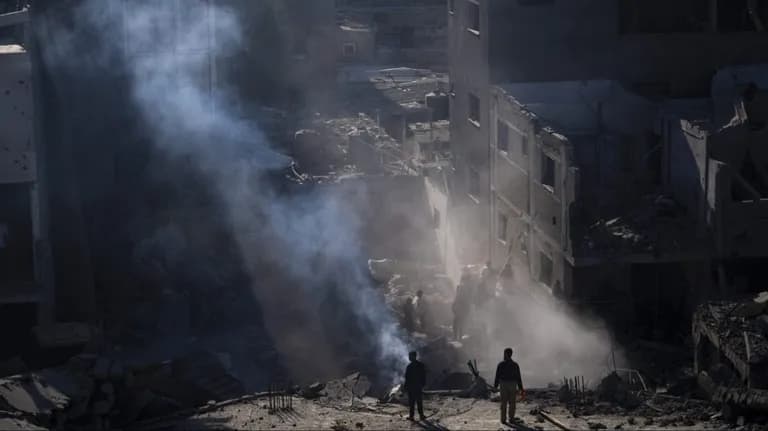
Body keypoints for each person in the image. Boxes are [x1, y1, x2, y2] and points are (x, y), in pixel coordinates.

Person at [494, 347, 525, 424]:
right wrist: (521, 388)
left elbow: (497, 376)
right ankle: (511, 418)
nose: (503, 355)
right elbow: (518, 377)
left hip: (503, 384)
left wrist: (495, 386)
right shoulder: (515, 365)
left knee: (504, 402)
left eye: (504, 353)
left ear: (506, 354)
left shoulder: (501, 364)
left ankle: (503, 419)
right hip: (512, 384)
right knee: (512, 403)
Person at [404, 351, 427, 421]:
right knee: (416, 402)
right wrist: (423, 384)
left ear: (414, 356)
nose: (409, 358)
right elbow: (407, 377)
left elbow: (407, 378)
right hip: (416, 386)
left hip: (413, 387)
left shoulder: (410, 366)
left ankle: (414, 416)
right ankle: (420, 416)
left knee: (413, 402)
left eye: (410, 356)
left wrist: (406, 386)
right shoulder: (419, 365)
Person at [452, 273, 472, 340]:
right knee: (459, 325)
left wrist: (454, 306)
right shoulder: (464, 287)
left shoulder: (462, 287)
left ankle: (457, 339)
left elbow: (459, 298)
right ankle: (458, 339)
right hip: (461, 309)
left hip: (460, 309)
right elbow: (458, 298)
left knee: (458, 324)